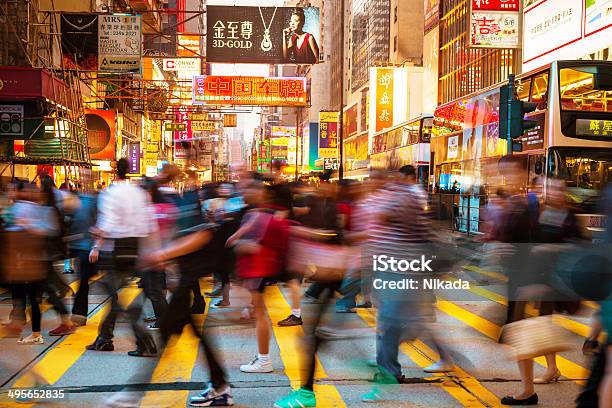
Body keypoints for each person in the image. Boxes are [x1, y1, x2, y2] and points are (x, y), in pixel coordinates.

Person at [86, 158, 158, 357]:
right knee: (113, 293)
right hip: (136, 247)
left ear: (114, 170)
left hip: (114, 249)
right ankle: (104, 338)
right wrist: (153, 249)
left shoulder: (110, 192)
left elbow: (107, 221)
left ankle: (142, 340)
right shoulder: (138, 192)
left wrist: (95, 245)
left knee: (113, 295)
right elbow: (149, 221)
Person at [228, 183, 291, 374]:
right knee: (259, 313)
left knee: (261, 314)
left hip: (258, 269)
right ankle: (263, 358)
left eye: (249, 191)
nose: (244, 193)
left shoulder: (261, 216)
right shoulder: (257, 214)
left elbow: (254, 246)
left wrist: (238, 243)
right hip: (258, 270)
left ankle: (264, 361)